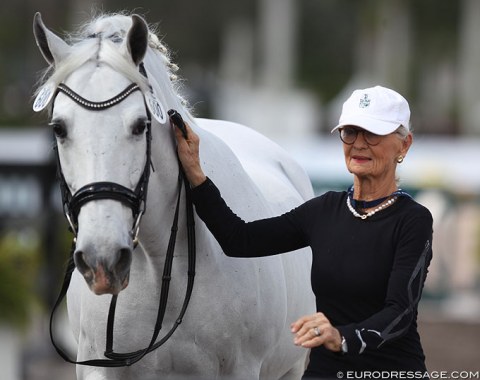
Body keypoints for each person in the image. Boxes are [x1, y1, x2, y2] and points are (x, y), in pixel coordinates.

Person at [171, 85, 433, 379]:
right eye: (350, 132)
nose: (359, 143)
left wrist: (342, 337)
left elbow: (400, 311)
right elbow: (238, 239)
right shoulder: (322, 210)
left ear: (404, 144)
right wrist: (196, 173)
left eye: (371, 133)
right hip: (327, 370)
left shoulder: (413, 220)